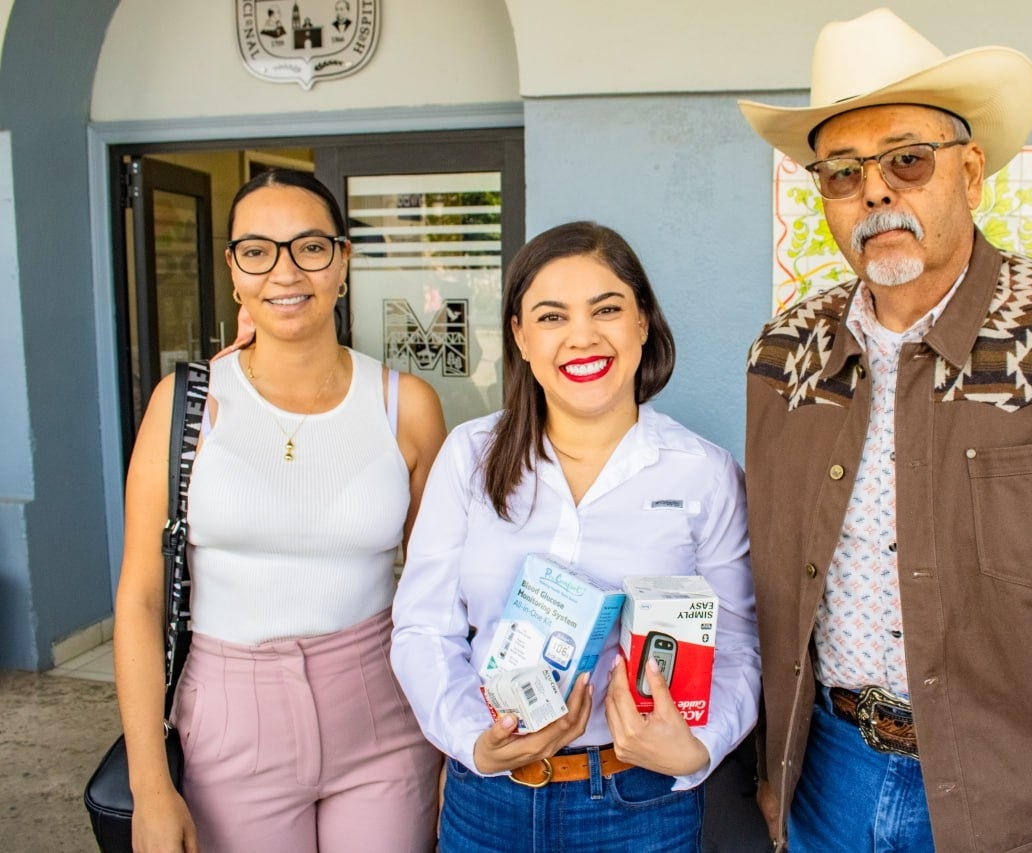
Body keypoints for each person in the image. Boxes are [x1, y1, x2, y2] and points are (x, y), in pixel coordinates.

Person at [737, 9, 1032, 851]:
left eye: (907, 159)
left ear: (970, 172)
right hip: (827, 786)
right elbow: (770, 596)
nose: (875, 191)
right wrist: (773, 778)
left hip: (1025, 801)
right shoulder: (785, 355)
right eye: (843, 172)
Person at [390, 221, 760, 852]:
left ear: (643, 322)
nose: (581, 336)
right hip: (489, 800)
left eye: (607, 309)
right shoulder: (470, 456)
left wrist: (698, 746)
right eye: (552, 316)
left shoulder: (704, 472)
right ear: (520, 337)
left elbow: (739, 644)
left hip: (639, 801)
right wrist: (475, 741)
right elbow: (424, 627)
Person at [113, 169, 446, 852]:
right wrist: (150, 785)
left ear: (343, 262)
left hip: (383, 711)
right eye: (257, 251)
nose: (285, 272)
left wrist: (454, 742)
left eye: (311, 247)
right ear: (234, 271)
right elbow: (141, 599)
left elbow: (439, 592)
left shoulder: (405, 406)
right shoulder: (184, 406)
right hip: (231, 716)